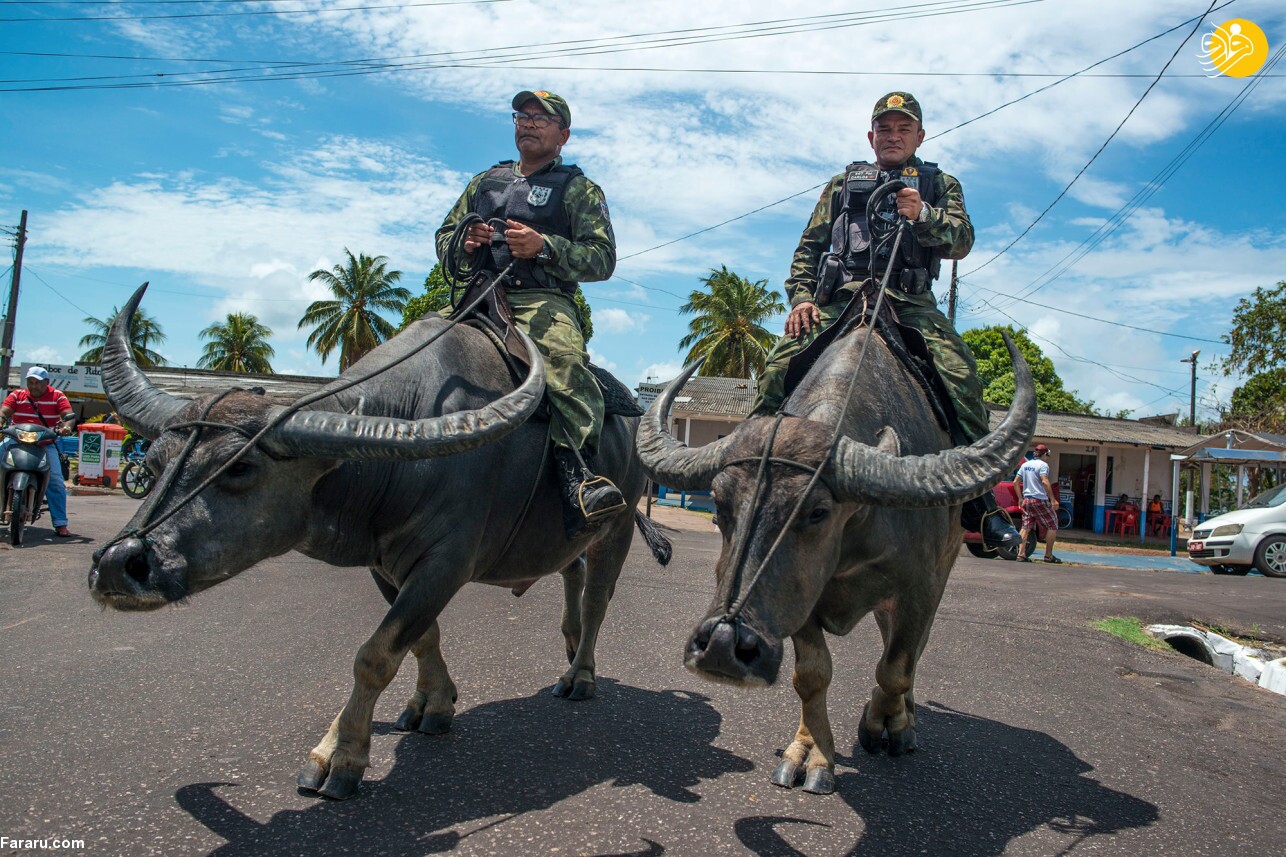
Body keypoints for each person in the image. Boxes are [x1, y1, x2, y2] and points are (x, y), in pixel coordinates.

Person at [750, 90, 1019, 554]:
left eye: (903, 128)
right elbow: (808, 250)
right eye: (885, 129)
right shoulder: (840, 185)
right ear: (871, 136)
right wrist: (800, 300)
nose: (893, 136)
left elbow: (962, 241)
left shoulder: (941, 184)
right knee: (777, 369)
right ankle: (747, 473)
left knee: (963, 380)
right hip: (842, 299)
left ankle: (979, 503)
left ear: (919, 135)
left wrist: (926, 216)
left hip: (909, 300)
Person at [435, 90, 623, 539]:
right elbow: (444, 236)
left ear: (564, 135)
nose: (530, 123)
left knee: (565, 367)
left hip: (541, 301)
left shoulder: (579, 189)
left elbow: (603, 260)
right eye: (523, 115)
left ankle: (577, 476)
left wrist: (545, 246)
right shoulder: (485, 182)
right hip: (476, 296)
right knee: (415, 343)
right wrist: (464, 241)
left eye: (543, 118)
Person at [0, 366, 76, 536]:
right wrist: (1, 418)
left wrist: (66, 427)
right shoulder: (17, 395)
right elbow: (4, 410)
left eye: (38, 383)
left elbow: (67, 415)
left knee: (55, 480)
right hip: (15, 440)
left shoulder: (57, 396)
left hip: (45, 443)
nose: (34, 386)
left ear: (47, 383)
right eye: (31, 382)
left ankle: (60, 523)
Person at [1014, 444, 1060, 563]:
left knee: (1026, 527)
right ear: (1044, 454)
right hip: (1039, 499)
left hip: (1027, 500)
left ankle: (1021, 554)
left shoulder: (1025, 465)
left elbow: (1016, 482)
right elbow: (1045, 481)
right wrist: (1053, 499)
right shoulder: (1043, 465)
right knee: (1052, 524)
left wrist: (1020, 498)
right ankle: (1048, 555)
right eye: (1046, 455)